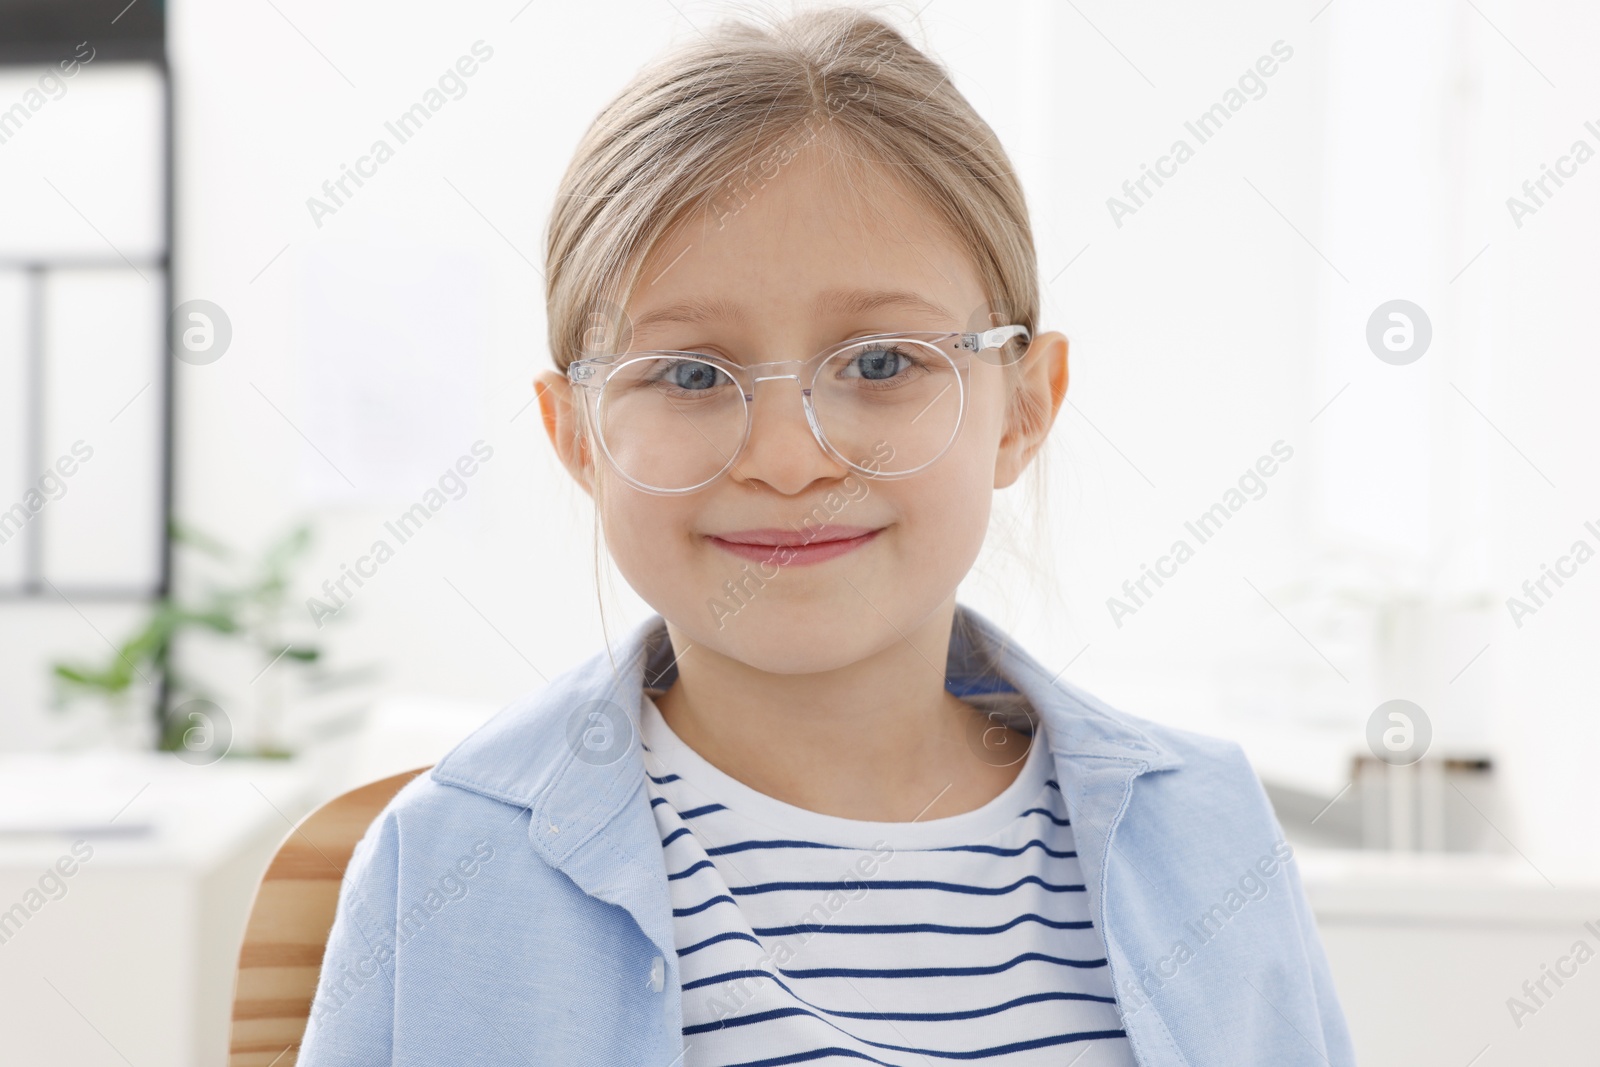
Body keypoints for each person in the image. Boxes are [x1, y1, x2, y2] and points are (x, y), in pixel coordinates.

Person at [297, 6, 1355, 1064]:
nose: (790, 458)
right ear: (574, 431)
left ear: (1024, 405)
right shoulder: (446, 864)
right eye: (692, 374)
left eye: (881, 363)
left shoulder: (1213, 840)